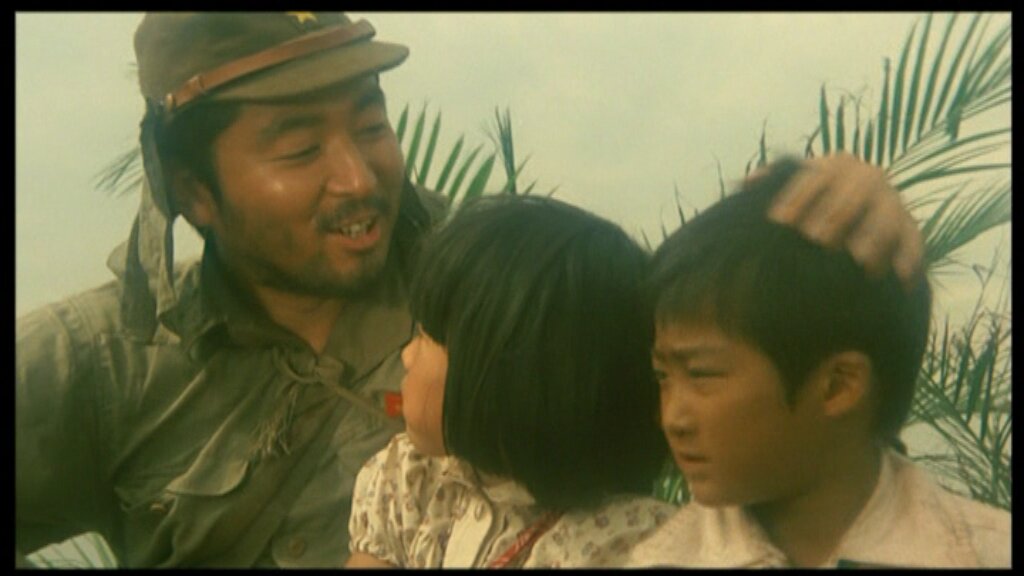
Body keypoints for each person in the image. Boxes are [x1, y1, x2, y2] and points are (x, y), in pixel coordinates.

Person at [16, 11, 923, 568]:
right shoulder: (95, 364)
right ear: (196, 194)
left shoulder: (509, 292)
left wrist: (844, 241)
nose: (358, 177)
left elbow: (759, 392)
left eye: (371, 126)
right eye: (298, 149)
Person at [627, 159, 1010, 568]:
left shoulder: (988, 553)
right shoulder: (654, 560)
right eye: (662, 376)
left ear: (839, 386)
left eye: (701, 373)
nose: (671, 419)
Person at [346, 195, 676, 568]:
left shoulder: (626, 545)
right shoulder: (411, 480)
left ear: (508, 384)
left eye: (425, 336)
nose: (407, 355)